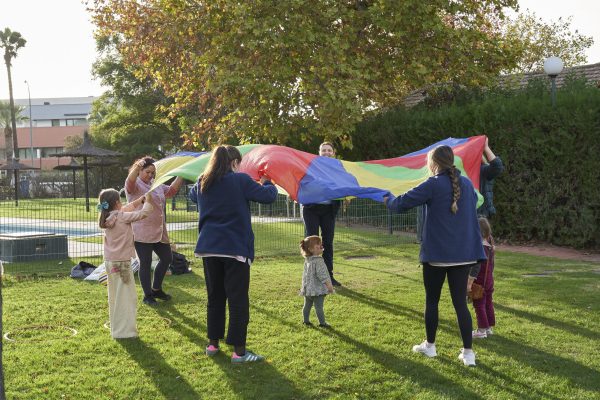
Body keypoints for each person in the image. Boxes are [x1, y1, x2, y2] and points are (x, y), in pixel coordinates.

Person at [384, 145, 485, 367]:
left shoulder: (433, 184)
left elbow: (400, 204)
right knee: (460, 304)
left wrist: (386, 197)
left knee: (432, 301)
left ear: (434, 163)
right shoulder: (467, 184)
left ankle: (430, 347)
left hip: (437, 255)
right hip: (463, 255)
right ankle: (468, 353)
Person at [189, 145, 278, 364]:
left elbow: (193, 195)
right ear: (234, 163)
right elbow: (268, 197)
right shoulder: (240, 181)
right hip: (235, 249)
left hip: (209, 248)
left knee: (215, 298)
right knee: (238, 300)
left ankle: (212, 344)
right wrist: (269, 183)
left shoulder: (203, 182)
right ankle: (239, 352)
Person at [125, 156, 184, 306]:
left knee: (167, 258)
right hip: (142, 231)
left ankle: (156, 289)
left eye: (153, 173)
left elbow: (171, 191)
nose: (151, 175)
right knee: (145, 262)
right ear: (140, 171)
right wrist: (136, 168)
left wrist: (181, 173)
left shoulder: (155, 184)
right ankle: (147, 296)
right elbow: (129, 182)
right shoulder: (135, 185)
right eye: (147, 172)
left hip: (159, 231)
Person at [98, 189, 153, 339]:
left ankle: (117, 330)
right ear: (116, 203)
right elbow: (144, 213)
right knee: (128, 298)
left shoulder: (108, 217)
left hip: (110, 262)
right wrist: (148, 200)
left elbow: (125, 209)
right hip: (122, 264)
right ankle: (126, 332)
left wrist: (138, 201)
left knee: (115, 296)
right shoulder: (122, 217)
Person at [301, 142, 342, 286]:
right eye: (323, 150)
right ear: (319, 153)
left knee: (328, 243)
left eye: (329, 150)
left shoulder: (338, 168)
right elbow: (300, 180)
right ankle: (311, 276)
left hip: (328, 210)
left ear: (333, 153)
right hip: (311, 209)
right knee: (311, 243)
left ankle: (329, 276)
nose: (326, 152)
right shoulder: (311, 166)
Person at [300, 235, 335, 328]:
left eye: (321, 244)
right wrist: (329, 286)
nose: (321, 247)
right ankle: (322, 323)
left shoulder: (308, 260)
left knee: (307, 305)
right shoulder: (318, 261)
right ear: (311, 249)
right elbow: (322, 275)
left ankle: (306, 321)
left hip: (308, 289)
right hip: (317, 290)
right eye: (318, 245)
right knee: (319, 307)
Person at [471, 217, 496, 339]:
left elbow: (475, 267)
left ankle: (481, 330)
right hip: (489, 281)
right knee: (488, 303)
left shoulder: (479, 248)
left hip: (480, 282)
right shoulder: (490, 247)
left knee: (479, 305)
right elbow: (492, 266)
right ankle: (489, 327)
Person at [478, 138, 504, 218]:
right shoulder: (460, 172)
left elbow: (497, 167)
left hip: (482, 215)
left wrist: (486, 147)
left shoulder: (483, 170)